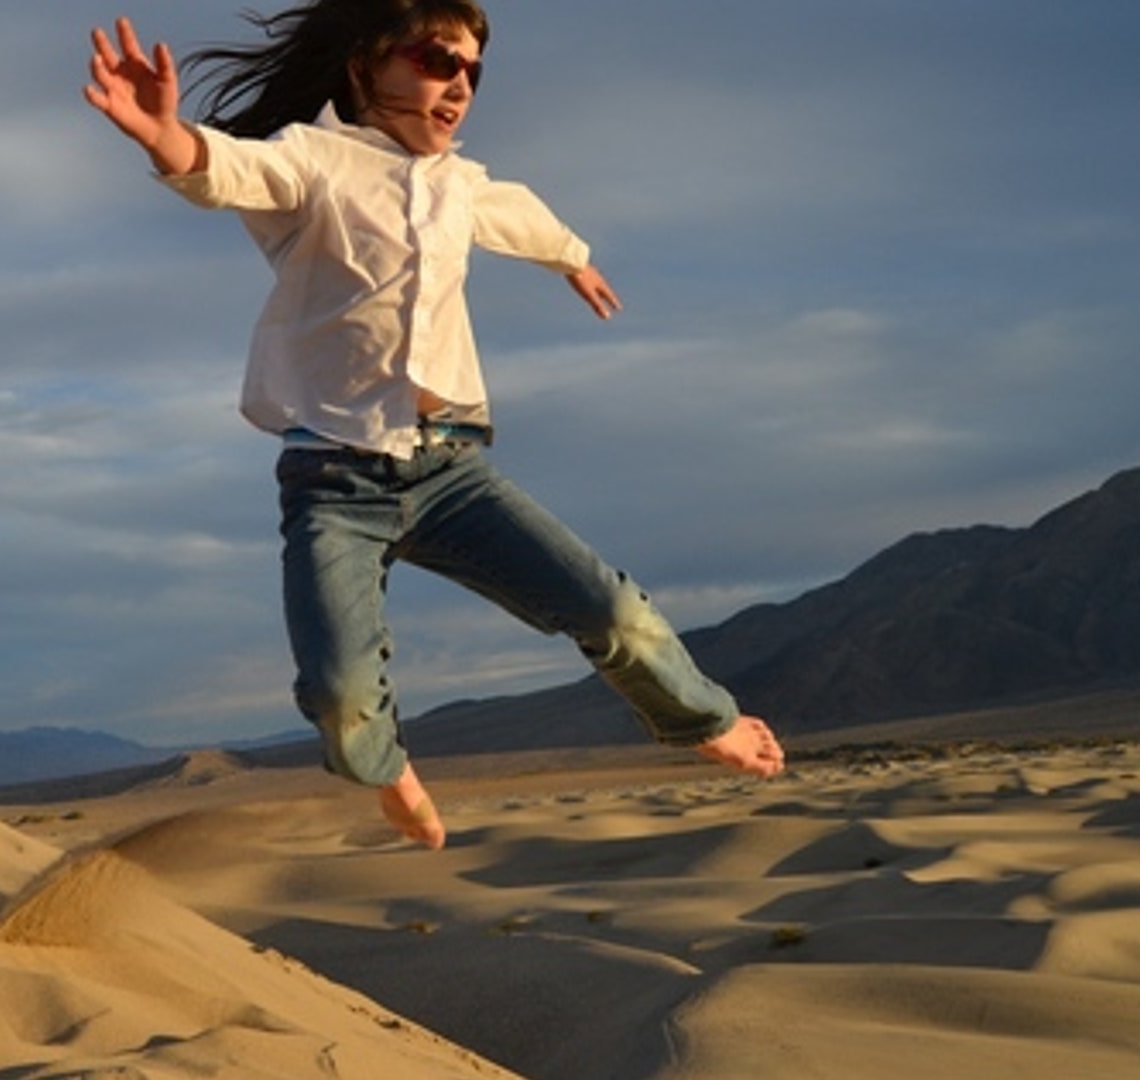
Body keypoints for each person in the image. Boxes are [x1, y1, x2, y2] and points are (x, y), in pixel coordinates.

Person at [83, 1, 783, 849]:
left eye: (473, 71)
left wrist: (573, 257)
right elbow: (225, 168)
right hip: (333, 481)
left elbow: (517, 212)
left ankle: (703, 719)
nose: (459, 83)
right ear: (365, 66)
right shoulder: (312, 162)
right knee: (340, 693)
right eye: (435, 59)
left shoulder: (461, 184)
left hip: (451, 471)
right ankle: (383, 769)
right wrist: (162, 134)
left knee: (608, 607)